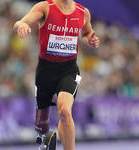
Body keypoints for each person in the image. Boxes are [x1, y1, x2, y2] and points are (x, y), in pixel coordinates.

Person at [13, 0, 100, 149]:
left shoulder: (82, 12)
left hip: (69, 71)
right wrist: (22, 25)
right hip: (46, 71)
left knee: (65, 111)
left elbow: (86, 32)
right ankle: (45, 141)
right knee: (41, 123)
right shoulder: (45, 8)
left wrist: (90, 38)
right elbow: (19, 22)